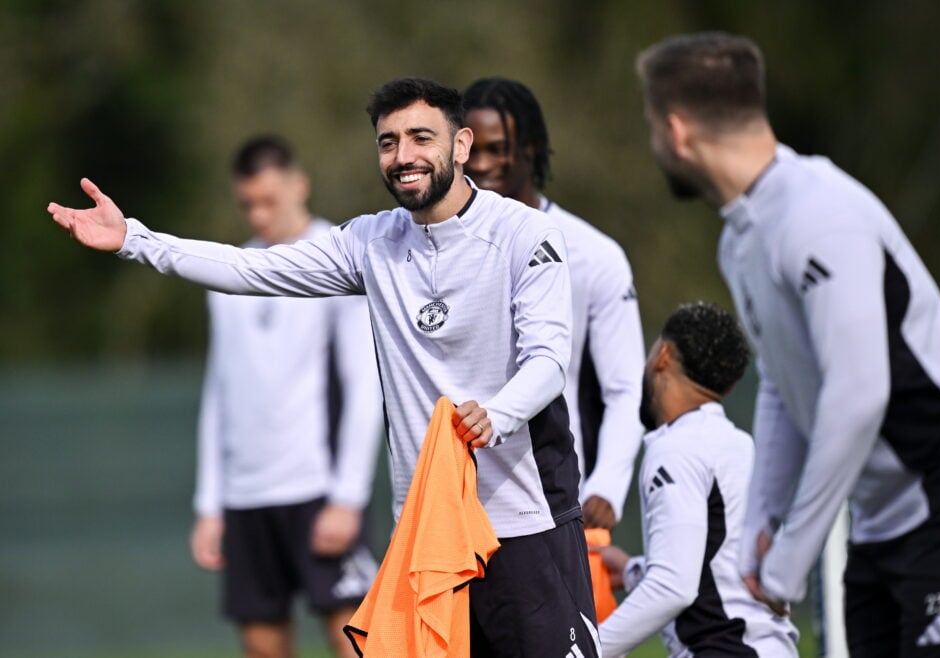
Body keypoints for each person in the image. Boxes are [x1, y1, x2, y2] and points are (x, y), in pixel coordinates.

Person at [47, 77, 600, 658]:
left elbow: (547, 362)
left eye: (421, 138)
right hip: (426, 532)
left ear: (461, 145)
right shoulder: (370, 241)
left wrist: (498, 414)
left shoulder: (525, 233)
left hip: (524, 516)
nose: (403, 156)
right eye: (388, 142)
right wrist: (133, 239)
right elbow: (249, 270)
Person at [636, 32, 940, 657]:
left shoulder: (817, 213)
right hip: (882, 530)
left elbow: (859, 394)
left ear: (677, 131)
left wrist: (793, 555)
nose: (654, 144)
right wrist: (760, 522)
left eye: (652, 127)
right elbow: (784, 384)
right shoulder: (739, 239)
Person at [189, 136, 383, 658]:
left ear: (300, 185)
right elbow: (219, 392)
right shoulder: (228, 273)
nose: (258, 214)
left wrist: (347, 497)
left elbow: (364, 386)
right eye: (247, 203)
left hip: (317, 491)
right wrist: (209, 505)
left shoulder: (338, 258)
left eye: (269, 200)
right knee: (261, 646)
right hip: (246, 498)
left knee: (356, 640)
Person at [462, 77, 646, 530]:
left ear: (532, 148)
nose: (481, 164)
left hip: (551, 500)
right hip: (458, 497)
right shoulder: (437, 246)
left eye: (497, 148)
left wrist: (606, 487)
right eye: (471, 151)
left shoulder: (593, 255)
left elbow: (625, 388)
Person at [597, 301, 798, 657]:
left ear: (663, 355)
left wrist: (583, 650)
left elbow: (673, 586)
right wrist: (633, 571)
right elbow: (723, 570)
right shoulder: (739, 444)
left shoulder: (677, 447)